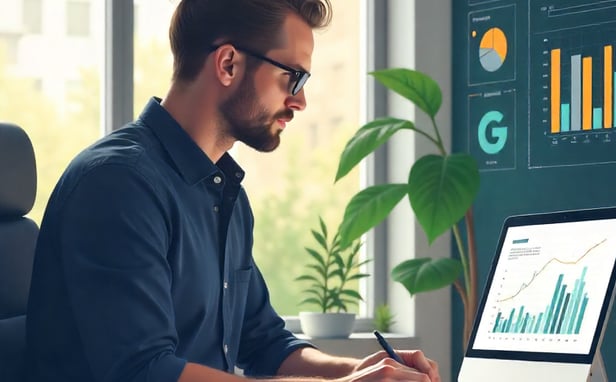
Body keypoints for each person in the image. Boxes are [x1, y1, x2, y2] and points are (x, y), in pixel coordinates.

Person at [25, 1, 440, 381]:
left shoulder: (223, 194)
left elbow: (264, 342)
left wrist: (361, 370)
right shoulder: (117, 184)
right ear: (228, 64)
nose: (300, 101)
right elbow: (146, 371)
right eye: (292, 77)